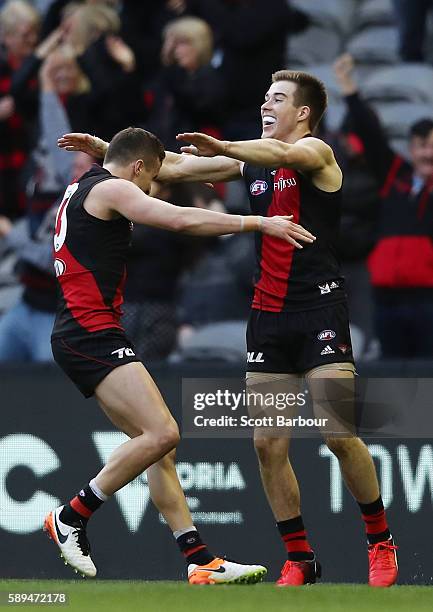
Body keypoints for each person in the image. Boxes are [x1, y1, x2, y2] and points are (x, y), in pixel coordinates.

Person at [59, 70, 399, 588]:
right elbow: (169, 167)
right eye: (264, 96)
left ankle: (379, 539)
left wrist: (226, 146)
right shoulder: (248, 160)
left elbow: (282, 156)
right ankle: (301, 559)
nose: (268, 104)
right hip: (267, 316)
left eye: (279, 99)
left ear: (303, 112)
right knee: (268, 444)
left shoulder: (316, 153)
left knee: (338, 432)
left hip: (320, 311)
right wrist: (112, 155)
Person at [45, 126, 314, 583]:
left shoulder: (90, 181)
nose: (153, 185)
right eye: (151, 178)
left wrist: (105, 148)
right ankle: (72, 516)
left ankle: (199, 561)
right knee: (164, 433)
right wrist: (258, 222)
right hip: (90, 333)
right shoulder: (114, 187)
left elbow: (159, 163)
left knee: (154, 449)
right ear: (137, 170)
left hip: (83, 331)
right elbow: (181, 220)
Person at [334, 53, 433, 358]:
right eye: (422, 145)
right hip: (386, 297)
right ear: (411, 148)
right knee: (392, 378)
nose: (428, 153)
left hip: (428, 299)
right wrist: (349, 88)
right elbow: (370, 133)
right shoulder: (393, 175)